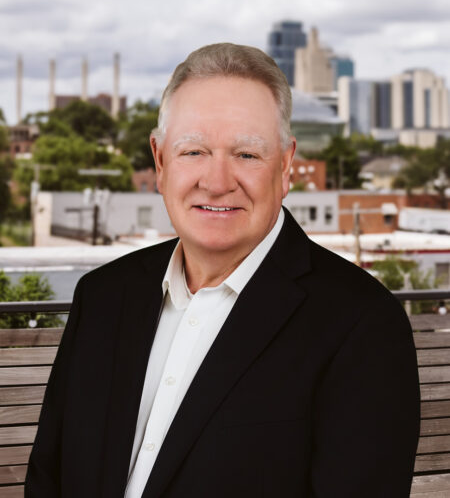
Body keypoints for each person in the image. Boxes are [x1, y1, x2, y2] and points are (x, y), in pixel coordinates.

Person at [25, 43, 420, 498]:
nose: (216, 181)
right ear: (159, 160)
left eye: (247, 155)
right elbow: (47, 481)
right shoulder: (102, 296)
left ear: (287, 165)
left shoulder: (363, 325)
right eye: (193, 151)